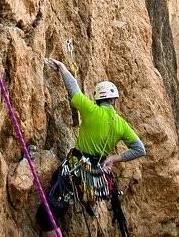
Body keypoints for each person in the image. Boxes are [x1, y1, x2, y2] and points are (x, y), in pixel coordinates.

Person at [38, 58, 146, 236]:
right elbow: (139, 149)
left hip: (76, 169)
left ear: (97, 99)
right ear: (114, 101)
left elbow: (73, 89)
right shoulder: (121, 124)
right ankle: (87, 200)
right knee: (59, 202)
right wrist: (113, 158)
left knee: (45, 216)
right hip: (96, 175)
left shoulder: (91, 110)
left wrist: (63, 68)